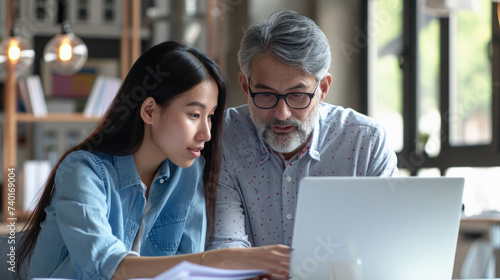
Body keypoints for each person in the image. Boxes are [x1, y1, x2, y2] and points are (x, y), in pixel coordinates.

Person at [18, 41, 290, 280]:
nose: (206, 133)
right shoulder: (82, 172)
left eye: (210, 116)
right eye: (194, 115)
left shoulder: (188, 172)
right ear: (149, 110)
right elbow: (106, 266)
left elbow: (188, 268)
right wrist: (214, 261)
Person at [208, 9, 399, 251]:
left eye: (297, 95)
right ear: (246, 86)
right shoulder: (223, 137)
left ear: (323, 88)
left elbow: (385, 244)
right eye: (266, 95)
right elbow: (227, 247)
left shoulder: (365, 143)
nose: (281, 113)